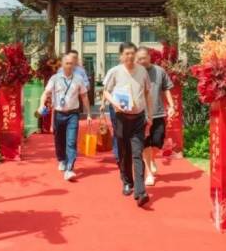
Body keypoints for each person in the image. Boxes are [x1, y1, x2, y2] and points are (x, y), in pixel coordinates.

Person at [103, 42, 153, 207]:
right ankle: (127, 181)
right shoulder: (115, 72)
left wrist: (150, 114)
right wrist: (114, 103)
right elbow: (106, 91)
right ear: (121, 56)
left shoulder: (142, 71)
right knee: (124, 153)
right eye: (127, 54)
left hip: (138, 118)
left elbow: (147, 93)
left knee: (137, 153)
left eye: (132, 53)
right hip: (121, 118)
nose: (130, 56)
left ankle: (140, 192)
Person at [39, 52, 91, 181]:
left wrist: (89, 113)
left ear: (74, 65)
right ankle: (61, 159)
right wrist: (41, 105)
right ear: (62, 64)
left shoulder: (78, 79)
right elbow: (46, 93)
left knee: (71, 141)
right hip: (59, 114)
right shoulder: (55, 78)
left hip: (73, 114)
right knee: (59, 140)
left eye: (71, 63)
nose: (69, 66)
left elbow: (84, 96)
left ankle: (69, 169)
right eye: (67, 63)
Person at [136, 46, 176, 186]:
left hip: (158, 112)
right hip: (141, 114)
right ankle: (149, 174)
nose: (141, 61)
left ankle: (152, 158)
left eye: (143, 58)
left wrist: (171, 105)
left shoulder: (159, 71)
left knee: (158, 142)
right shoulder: (135, 73)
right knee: (146, 143)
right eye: (139, 59)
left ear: (149, 57)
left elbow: (167, 89)